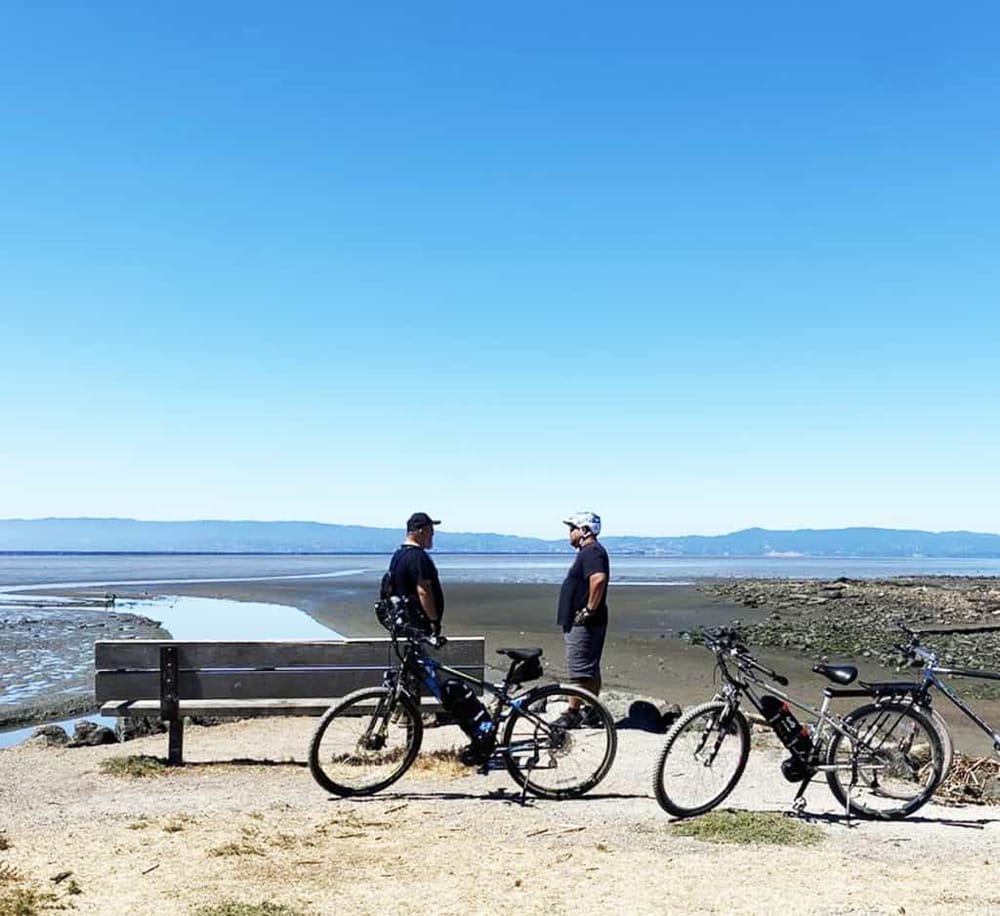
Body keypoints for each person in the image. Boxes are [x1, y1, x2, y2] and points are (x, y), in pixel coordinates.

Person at [555, 510, 609, 728]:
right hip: (587, 620)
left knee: (578, 669)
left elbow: (598, 579)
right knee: (589, 668)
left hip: (585, 623)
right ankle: (593, 710)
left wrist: (588, 610)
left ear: (585, 530)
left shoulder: (591, 551)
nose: (570, 533)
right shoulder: (591, 551)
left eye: (572, 528)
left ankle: (573, 712)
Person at [384, 511, 444, 634]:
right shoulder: (418, 557)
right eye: (430, 530)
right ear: (421, 531)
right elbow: (423, 591)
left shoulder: (398, 555)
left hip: (402, 622)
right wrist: (433, 620)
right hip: (418, 624)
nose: (432, 534)